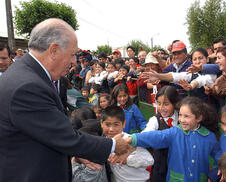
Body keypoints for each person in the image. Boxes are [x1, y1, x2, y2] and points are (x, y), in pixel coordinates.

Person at [0, 18, 128, 182]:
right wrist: (114, 145)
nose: (75, 61)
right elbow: (64, 136)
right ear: (53, 50)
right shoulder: (28, 86)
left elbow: (46, 131)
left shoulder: (27, 74)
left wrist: (76, 151)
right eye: (73, 54)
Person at [126, 97, 221, 182]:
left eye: (186, 116)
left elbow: (220, 158)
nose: (182, 119)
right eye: (180, 115)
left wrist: (213, 176)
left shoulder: (209, 137)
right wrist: (133, 138)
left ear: (199, 118)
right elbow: (155, 136)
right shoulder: (175, 132)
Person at [102, 106, 154, 182]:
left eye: (116, 124)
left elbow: (150, 160)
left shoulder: (130, 140)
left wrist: (127, 160)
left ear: (124, 124)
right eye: (107, 124)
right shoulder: (104, 142)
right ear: (101, 124)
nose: (111, 129)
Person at [142, 86, 180, 182]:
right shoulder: (155, 120)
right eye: (158, 103)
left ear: (175, 103)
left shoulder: (182, 117)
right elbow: (146, 134)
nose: (161, 107)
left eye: (166, 104)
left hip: (179, 164)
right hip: (161, 167)